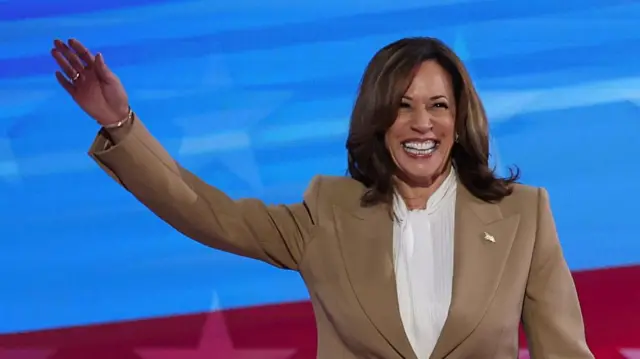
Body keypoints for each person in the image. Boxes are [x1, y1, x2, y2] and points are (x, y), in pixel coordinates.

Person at [51, 36, 594, 359]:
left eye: (439, 106)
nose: (421, 123)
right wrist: (121, 125)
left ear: (461, 117)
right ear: (378, 119)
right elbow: (205, 212)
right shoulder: (328, 213)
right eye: (402, 106)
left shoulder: (524, 214)